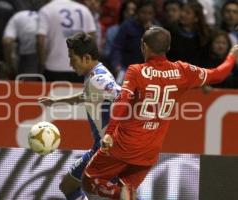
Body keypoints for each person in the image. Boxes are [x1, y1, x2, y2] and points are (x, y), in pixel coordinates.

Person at [81, 26, 238, 199]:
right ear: (168, 48)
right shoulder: (183, 71)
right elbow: (218, 75)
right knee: (128, 188)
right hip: (150, 151)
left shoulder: (136, 71)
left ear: (143, 46)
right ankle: (123, 193)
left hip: (124, 144)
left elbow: (122, 101)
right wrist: (232, 56)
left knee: (89, 179)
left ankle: (119, 193)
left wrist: (109, 133)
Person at [37, 32, 120, 200]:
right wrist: (56, 101)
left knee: (69, 186)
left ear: (86, 57)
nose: (70, 63)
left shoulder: (99, 78)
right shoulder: (94, 75)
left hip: (107, 153)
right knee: (68, 186)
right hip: (100, 149)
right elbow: (86, 96)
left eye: (72, 58)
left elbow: (123, 95)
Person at [36, 0, 96, 83]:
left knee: (54, 95)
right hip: (80, 67)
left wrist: (41, 64)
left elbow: (40, 40)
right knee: (77, 96)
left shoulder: (46, 9)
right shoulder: (84, 9)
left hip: (53, 67)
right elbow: (92, 38)